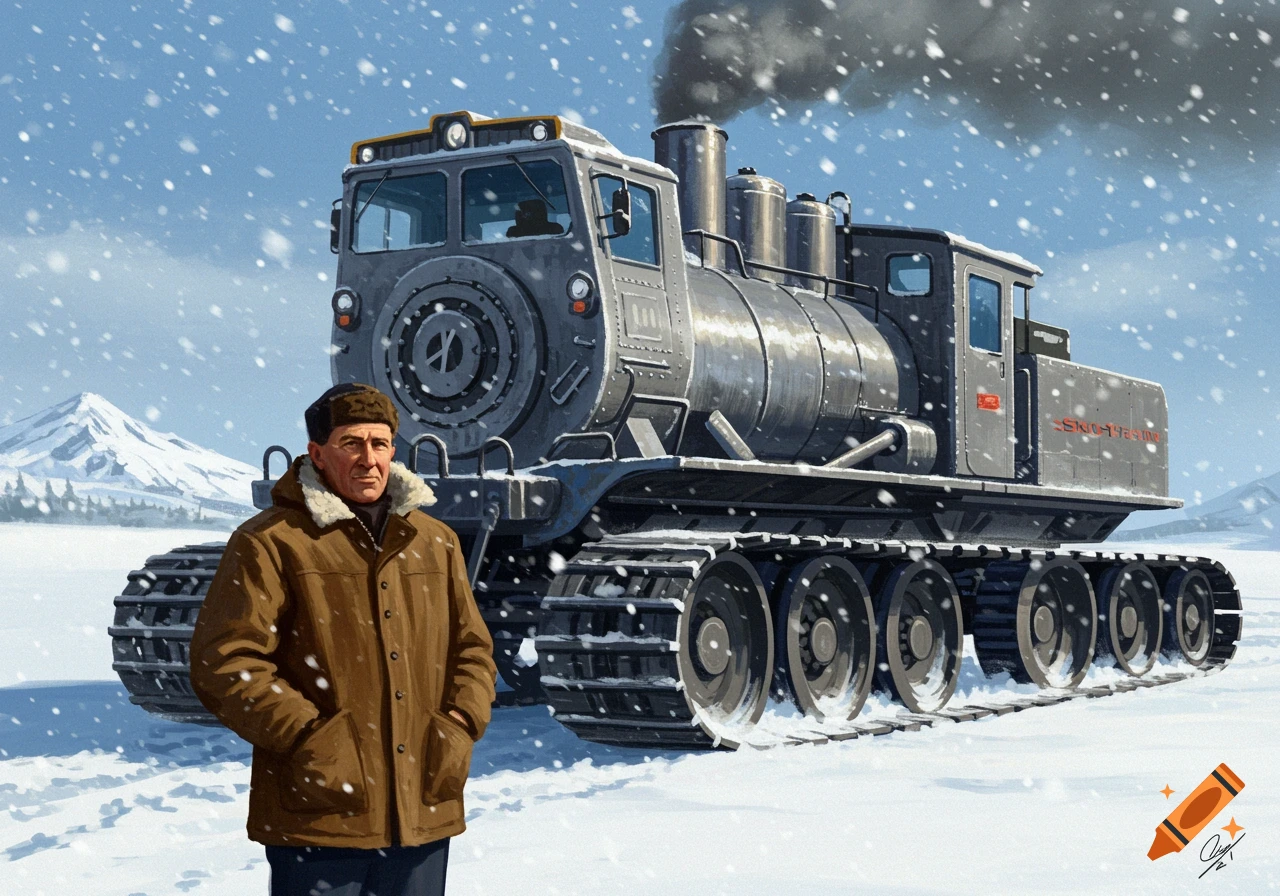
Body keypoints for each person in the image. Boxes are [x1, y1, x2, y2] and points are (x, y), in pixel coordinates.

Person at [189, 383, 497, 896]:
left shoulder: (434, 541)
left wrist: (459, 724)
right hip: (319, 813)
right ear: (317, 453)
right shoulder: (271, 542)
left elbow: (472, 649)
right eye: (352, 443)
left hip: (423, 801)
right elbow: (226, 660)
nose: (369, 459)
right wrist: (312, 740)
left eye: (380, 443)